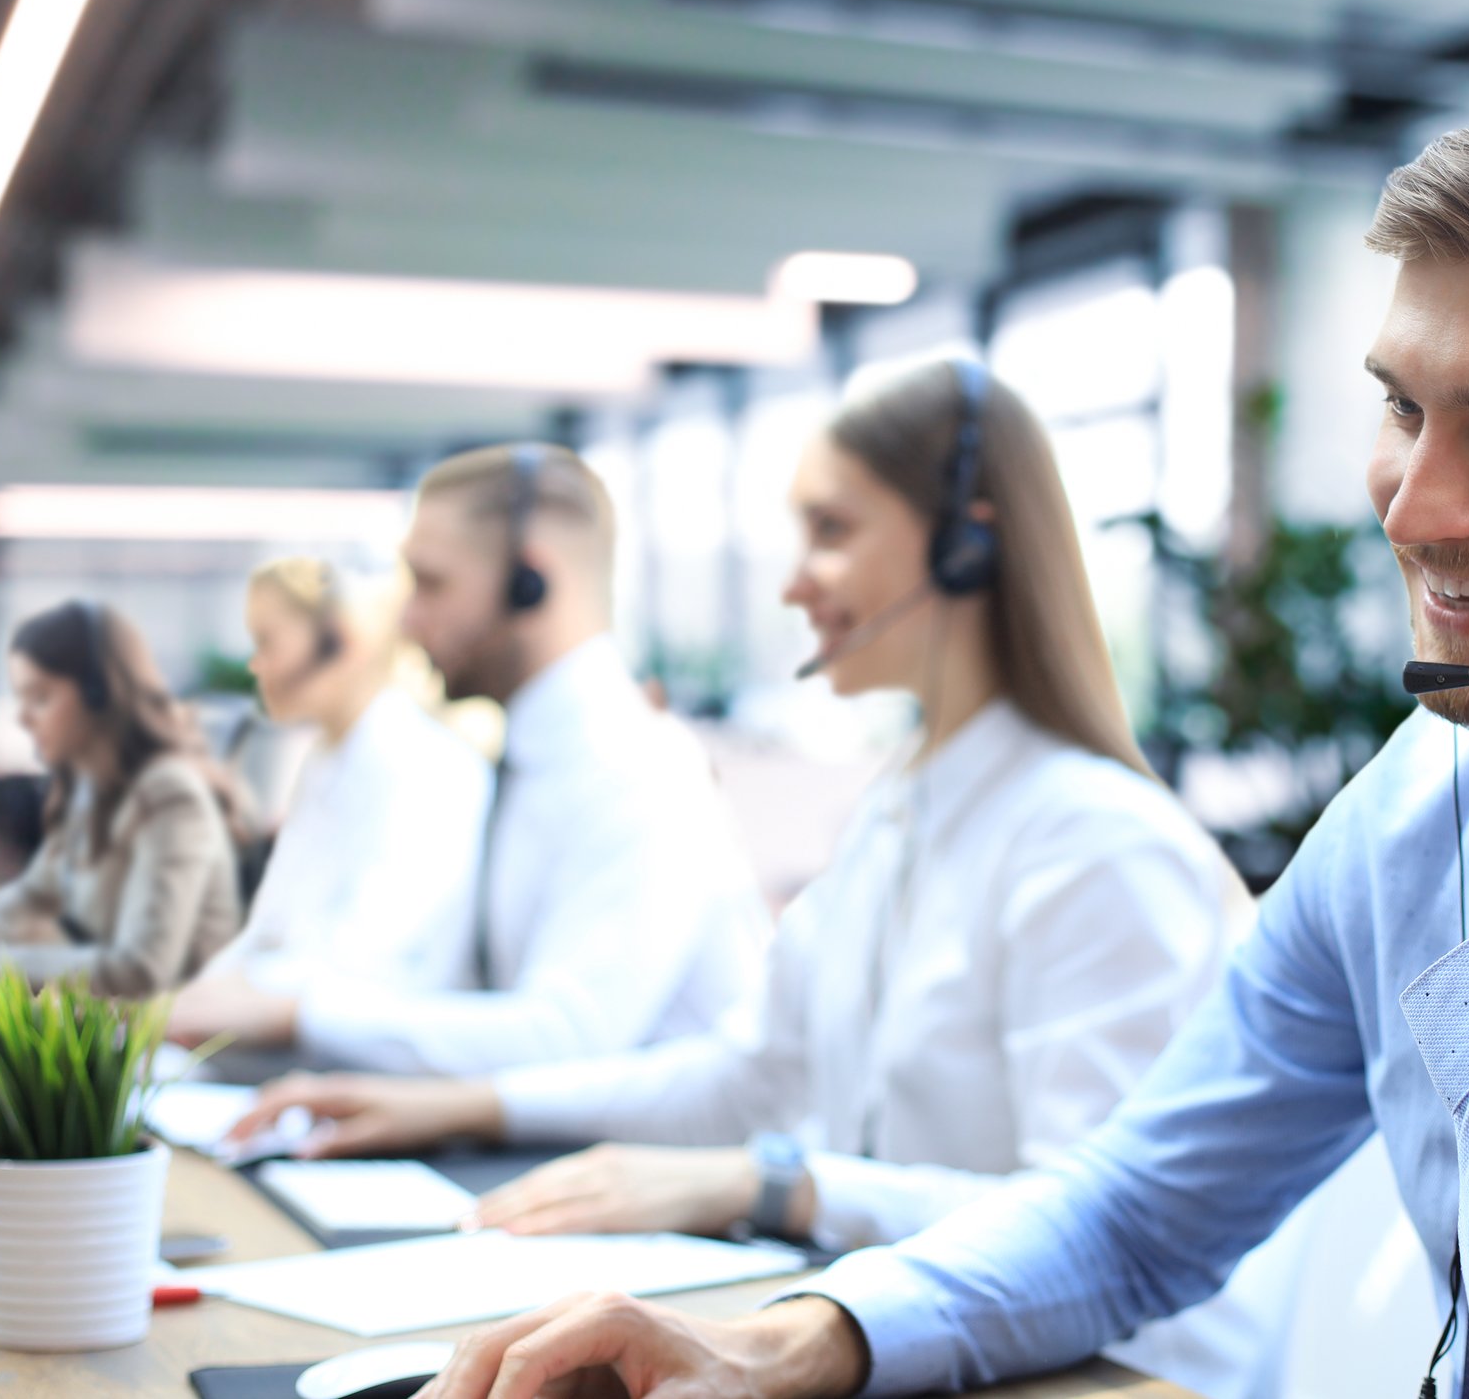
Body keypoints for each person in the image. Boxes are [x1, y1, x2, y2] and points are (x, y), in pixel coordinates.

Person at [409, 88, 1469, 1399]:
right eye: (1404, 407)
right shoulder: (1427, 792)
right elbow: (1137, 1212)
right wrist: (795, 1341)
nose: (1421, 503)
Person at [235, 361, 1293, 1397]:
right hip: (921, 1348)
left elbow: (1089, 1231)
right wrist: (456, 1104)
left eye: (831, 531)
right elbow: (747, 1075)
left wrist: (775, 1180)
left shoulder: (1099, 843)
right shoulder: (899, 812)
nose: (792, 582)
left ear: (967, 543)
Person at [185, 443, 769, 1076]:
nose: (406, 622)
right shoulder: (524, 763)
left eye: (431, 584)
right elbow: (452, 997)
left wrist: (298, 1012)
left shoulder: (637, 769)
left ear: (530, 584)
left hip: (652, 1162)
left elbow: (568, 1038)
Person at [165, 558, 491, 1046]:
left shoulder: (428, 768)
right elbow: (269, 935)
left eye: (268, 643)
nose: (258, 666)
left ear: (341, 639)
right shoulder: (324, 762)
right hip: (299, 1047)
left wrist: (196, 1006)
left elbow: (373, 967)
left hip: (373, 1060)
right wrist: (179, 1000)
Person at [0, 600, 244, 998]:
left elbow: (140, 970)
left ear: (98, 693)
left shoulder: (170, 796)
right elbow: (35, 894)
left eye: (40, 697)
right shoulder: (91, 792)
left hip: (186, 1038)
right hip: (126, 1031)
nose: (23, 718)